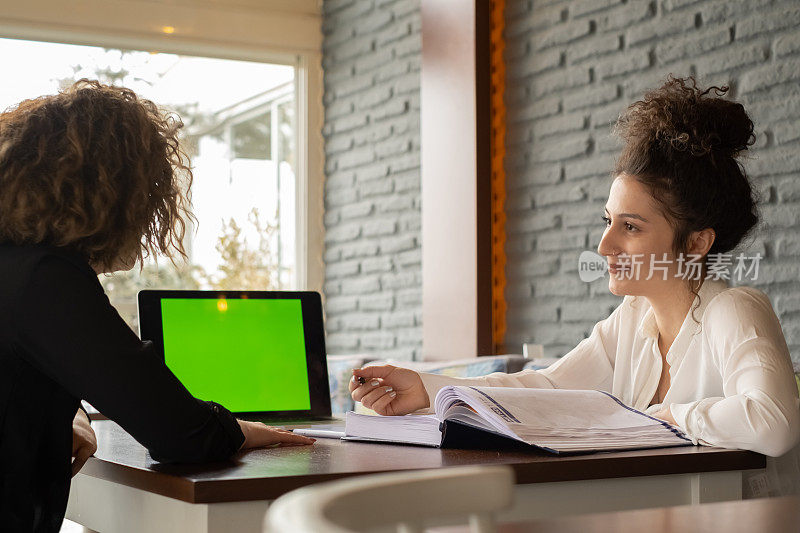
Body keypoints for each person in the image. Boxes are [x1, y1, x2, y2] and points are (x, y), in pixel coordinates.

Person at [350, 76, 800, 495]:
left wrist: (664, 418)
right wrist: (428, 390)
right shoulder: (631, 321)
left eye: (631, 227)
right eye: (608, 222)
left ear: (697, 242)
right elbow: (549, 388)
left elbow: (775, 422)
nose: (605, 245)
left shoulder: (735, 309)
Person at [0, 80, 315, 532]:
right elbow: (181, 436)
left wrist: (72, 412)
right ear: (114, 193)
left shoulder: (16, 270)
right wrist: (242, 431)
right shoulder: (44, 278)